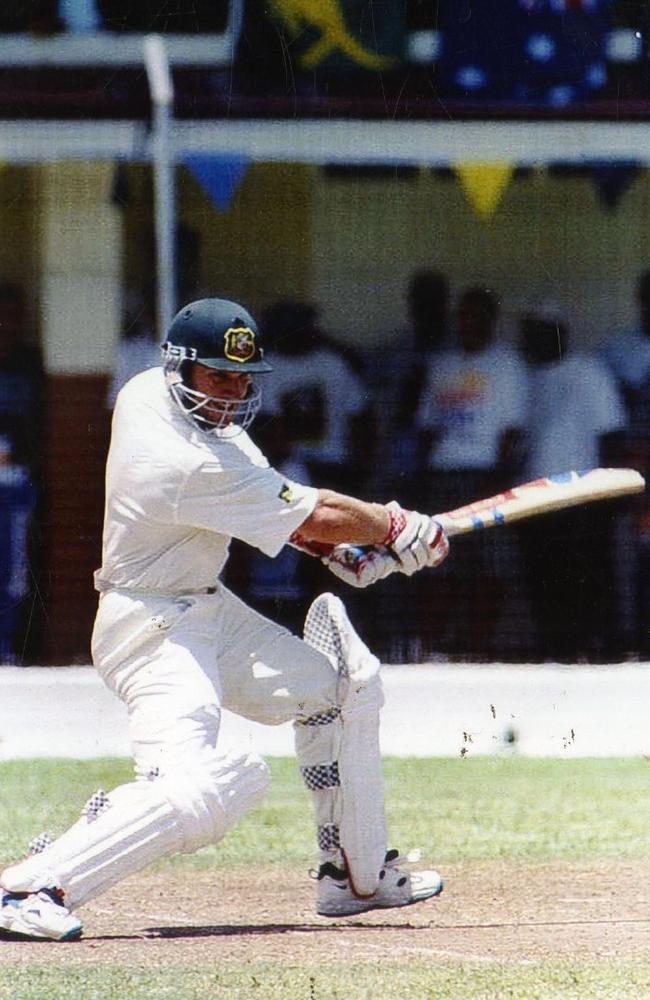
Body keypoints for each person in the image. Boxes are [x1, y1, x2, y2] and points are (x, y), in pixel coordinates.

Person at [0, 296, 450, 941]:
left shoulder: (153, 393)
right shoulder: (179, 458)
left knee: (340, 691)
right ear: (179, 368)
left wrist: (337, 549)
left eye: (243, 377)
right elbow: (306, 506)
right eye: (218, 376)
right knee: (213, 784)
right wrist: (398, 526)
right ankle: (28, 889)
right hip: (151, 628)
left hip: (207, 608)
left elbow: (281, 509)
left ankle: (353, 877)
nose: (233, 392)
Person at [414, 286, 528, 657]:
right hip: (444, 473)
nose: (469, 322)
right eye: (464, 314)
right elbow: (427, 427)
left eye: (478, 314)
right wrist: (421, 473)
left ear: (491, 320)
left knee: (489, 568)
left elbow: (513, 429)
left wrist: (498, 479)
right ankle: (436, 647)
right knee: (438, 562)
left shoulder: (507, 364)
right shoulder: (442, 364)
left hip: (486, 475)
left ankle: (478, 647)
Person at [519, 302, 627, 661]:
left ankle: (596, 650)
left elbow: (612, 436)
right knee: (544, 576)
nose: (537, 340)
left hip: (581, 493)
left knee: (587, 574)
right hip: (532, 496)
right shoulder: (526, 377)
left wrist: (610, 492)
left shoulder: (588, 372)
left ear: (562, 333)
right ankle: (556, 649)